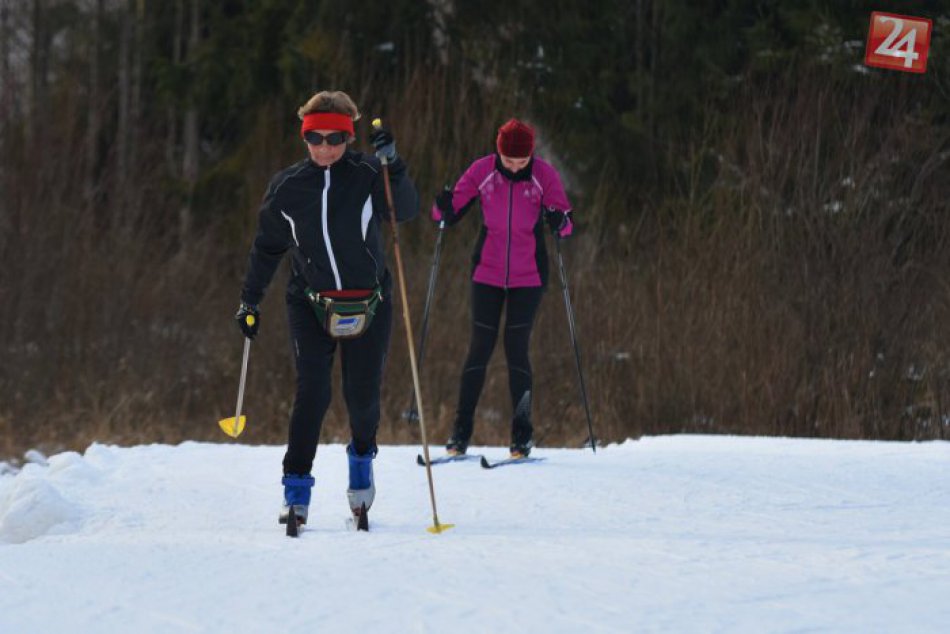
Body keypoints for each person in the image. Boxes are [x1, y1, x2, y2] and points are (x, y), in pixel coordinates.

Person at [235, 91, 418, 527]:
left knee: (362, 398)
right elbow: (267, 248)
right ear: (304, 137)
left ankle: (360, 468)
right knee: (313, 393)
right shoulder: (288, 187)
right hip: (311, 303)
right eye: (314, 137)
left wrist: (394, 164)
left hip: (369, 302)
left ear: (349, 137)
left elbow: (405, 210)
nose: (324, 147)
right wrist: (249, 301)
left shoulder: (369, 173)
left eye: (335, 138)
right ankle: (295, 489)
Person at [431, 118, 573, 458]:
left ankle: (521, 437)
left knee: (516, 347)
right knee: (479, 347)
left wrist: (559, 221)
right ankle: (459, 434)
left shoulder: (544, 175)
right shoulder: (482, 171)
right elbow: (445, 216)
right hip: (487, 273)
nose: (512, 166)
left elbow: (566, 226)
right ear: (498, 152)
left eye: (520, 161)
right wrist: (442, 204)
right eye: (507, 160)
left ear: (530, 155)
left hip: (530, 276)